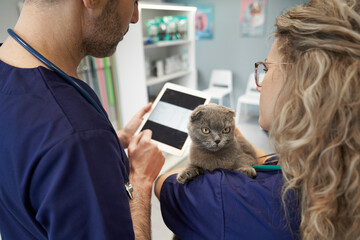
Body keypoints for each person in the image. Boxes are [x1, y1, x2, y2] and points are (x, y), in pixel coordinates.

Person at [156, 0, 360, 239]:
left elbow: (164, 184)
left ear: (300, 85)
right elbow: (270, 163)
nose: (260, 84)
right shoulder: (318, 167)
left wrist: (138, 173)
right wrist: (235, 137)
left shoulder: (229, 195)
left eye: (266, 68)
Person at [0, 0, 165, 239]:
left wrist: (111, 146)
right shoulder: (77, 138)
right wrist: (140, 180)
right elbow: (68, 141)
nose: (134, 17)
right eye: (134, 1)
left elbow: (24, 154)